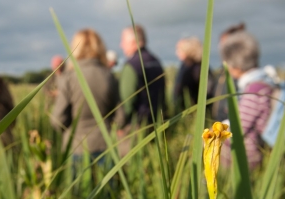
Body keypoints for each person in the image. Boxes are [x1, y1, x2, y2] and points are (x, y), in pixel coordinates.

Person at [51, 28, 121, 160]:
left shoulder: (68, 78)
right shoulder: (109, 76)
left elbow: (58, 120)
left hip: (76, 147)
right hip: (105, 145)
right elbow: (121, 117)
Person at [220, 31, 274, 170]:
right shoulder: (266, 81)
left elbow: (239, 127)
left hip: (247, 155)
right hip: (256, 149)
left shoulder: (253, 91)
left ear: (236, 67)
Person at [117, 24, 165, 156]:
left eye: (123, 41)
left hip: (136, 127)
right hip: (156, 123)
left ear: (133, 42)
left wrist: (120, 125)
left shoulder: (132, 65)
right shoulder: (156, 61)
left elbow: (126, 100)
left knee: (131, 167)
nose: (121, 45)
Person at [213, 23, 246, 121]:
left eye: (224, 43)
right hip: (219, 124)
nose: (221, 47)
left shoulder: (241, 72)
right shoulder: (222, 70)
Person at [174, 36, 215, 113]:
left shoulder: (199, 69)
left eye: (180, 50)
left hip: (195, 112)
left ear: (189, 51)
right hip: (184, 111)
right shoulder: (185, 66)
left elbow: (207, 92)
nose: (176, 53)